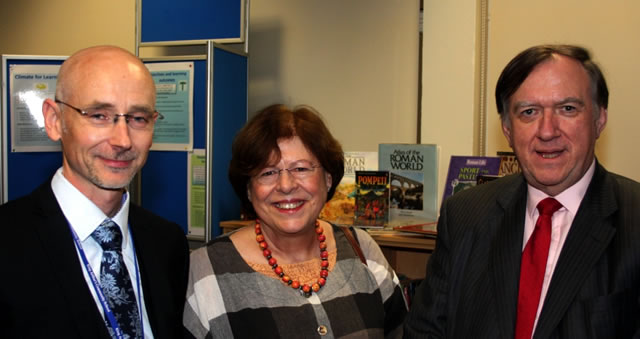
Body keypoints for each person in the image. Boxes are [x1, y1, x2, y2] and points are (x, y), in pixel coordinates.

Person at [404, 44, 640, 338]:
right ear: (507, 128)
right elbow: (425, 333)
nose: (547, 130)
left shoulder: (634, 220)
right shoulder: (465, 215)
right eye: (529, 112)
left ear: (599, 119)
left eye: (567, 109)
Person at [0, 46, 189, 338]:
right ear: (54, 120)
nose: (122, 140)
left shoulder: (166, 243)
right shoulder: (8, 243)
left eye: (138, 118)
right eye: (100, 115)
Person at [183, 104, 408, 338]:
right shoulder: (206, 269)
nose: (286, 185)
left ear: (328, 179)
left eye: (301, 168)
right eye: (268, 172)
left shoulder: (363, 250)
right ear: (249, 190)